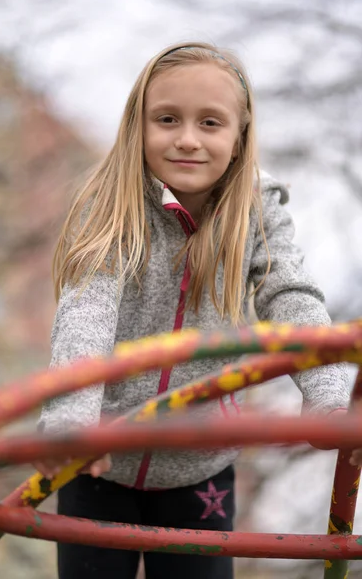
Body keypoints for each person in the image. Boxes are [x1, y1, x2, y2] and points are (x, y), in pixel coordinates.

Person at [35, 42, 354, 579]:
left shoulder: (257, 211)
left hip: (201, 470)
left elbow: (291, 295)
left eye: (210, 122)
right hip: (99, 462)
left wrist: (328, 395)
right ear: (138, 125)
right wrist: (71, 418)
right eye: (166, 119)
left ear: (239, 136)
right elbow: (86, 310)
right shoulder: (113, 203)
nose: (186, 139)